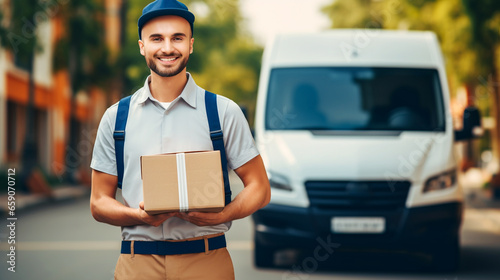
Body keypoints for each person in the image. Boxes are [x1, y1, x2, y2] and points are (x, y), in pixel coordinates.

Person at [89, 0, 270, 279]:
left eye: (177, 37)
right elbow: (99, 201)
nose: (168, 48)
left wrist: (224, 214)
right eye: (157, 38)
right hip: (138, 263)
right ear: (142, 46)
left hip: (207, 260)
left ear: (191, 44)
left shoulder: (223, 112)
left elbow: (260, 187)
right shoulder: (116, 118)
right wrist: (138, 217)